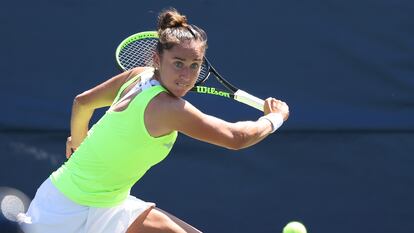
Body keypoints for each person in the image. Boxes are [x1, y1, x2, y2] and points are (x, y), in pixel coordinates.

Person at [19, 8, 289, 233]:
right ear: (157, 59)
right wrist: (274, 118)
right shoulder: (168, 108)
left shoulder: (138, 75)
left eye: (195, 65)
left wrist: (78, 142)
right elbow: (236, 138)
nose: (186, 75)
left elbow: (82, 103)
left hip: (106, 202)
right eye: (178, 63)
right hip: (64, 211)